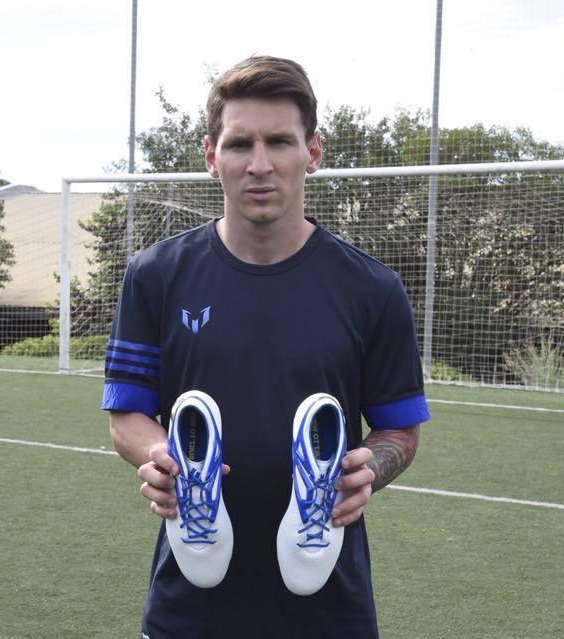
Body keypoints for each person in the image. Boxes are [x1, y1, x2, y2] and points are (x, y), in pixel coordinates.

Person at [102, 55, 429, 638]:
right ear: (211, 157)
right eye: (239, 144)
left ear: (313, 153)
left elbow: (399, 432)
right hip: (189, 607)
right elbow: (127, 414)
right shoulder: (155, 276)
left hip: (330, 608)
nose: (259, 165)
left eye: (279, 142)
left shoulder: (372, 289)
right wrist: (161, 457)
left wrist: (367, 472)